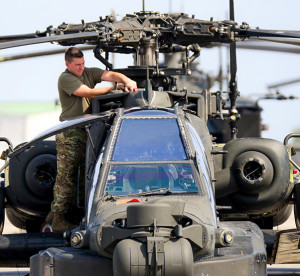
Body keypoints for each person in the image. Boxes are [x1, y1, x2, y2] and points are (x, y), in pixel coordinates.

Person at [46, 46, 137, 233]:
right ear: (67, 64)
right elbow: (87, 92)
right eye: (77, 65)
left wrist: (125, 80)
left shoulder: (87, 72)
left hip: (87, 130)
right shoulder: (66, 78)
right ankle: (57, 219)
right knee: (67, 177)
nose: (81, 68)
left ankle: (68, 216)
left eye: (83, 64)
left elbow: (109, 75)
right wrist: (114, 88)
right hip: (70, 132)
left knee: (83, 175)